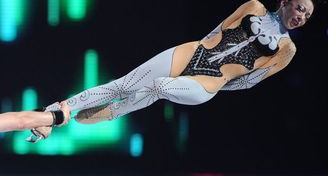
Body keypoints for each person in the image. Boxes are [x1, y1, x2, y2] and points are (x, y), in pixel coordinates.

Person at [27, 0, 315, 142]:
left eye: (307, 15)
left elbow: (249, 82)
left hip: (209, 81)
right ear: (285, 2)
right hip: (193, 52)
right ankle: (54, 112)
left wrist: (218, 83)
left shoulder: (287, 50)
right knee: (122, 84)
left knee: (160, 87)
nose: (301, 16)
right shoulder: (253, 5)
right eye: (300, 8)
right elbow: (220, 28)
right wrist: (200, 49)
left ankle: (113, 112)